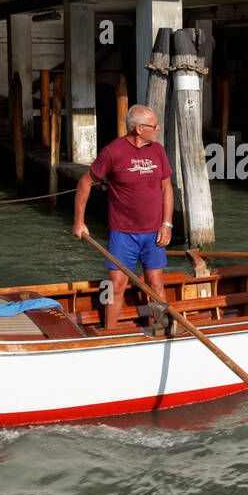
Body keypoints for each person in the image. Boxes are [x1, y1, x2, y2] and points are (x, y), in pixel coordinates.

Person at [72, 105, 173, 329]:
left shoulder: (157, 150)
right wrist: (79, 222)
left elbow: (166, 187)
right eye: (154, 125)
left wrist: (167, 224)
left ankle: (163, 328)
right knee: (115, 285)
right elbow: (85, 183)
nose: (157, 128)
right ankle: (109, 333)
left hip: (154, 232)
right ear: (138, 128)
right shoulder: (112, 152)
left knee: (155, 283)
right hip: (122, 233)